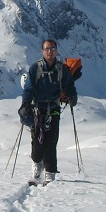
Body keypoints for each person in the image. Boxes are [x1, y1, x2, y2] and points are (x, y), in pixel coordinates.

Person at [19, 38, 78, 185]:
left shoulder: (62, 69)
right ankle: (37, 165)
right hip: (38, 109)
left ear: (56, 51)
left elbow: (69, 85)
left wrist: (72, 97)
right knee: (37, 142)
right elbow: (28, 89)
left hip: (54, 109)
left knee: (51, 141)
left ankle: (50, 174)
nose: (50, 52)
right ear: (42, 51)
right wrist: (26, 104)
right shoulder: (35, 69)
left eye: (52, 49)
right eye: (47, 49)